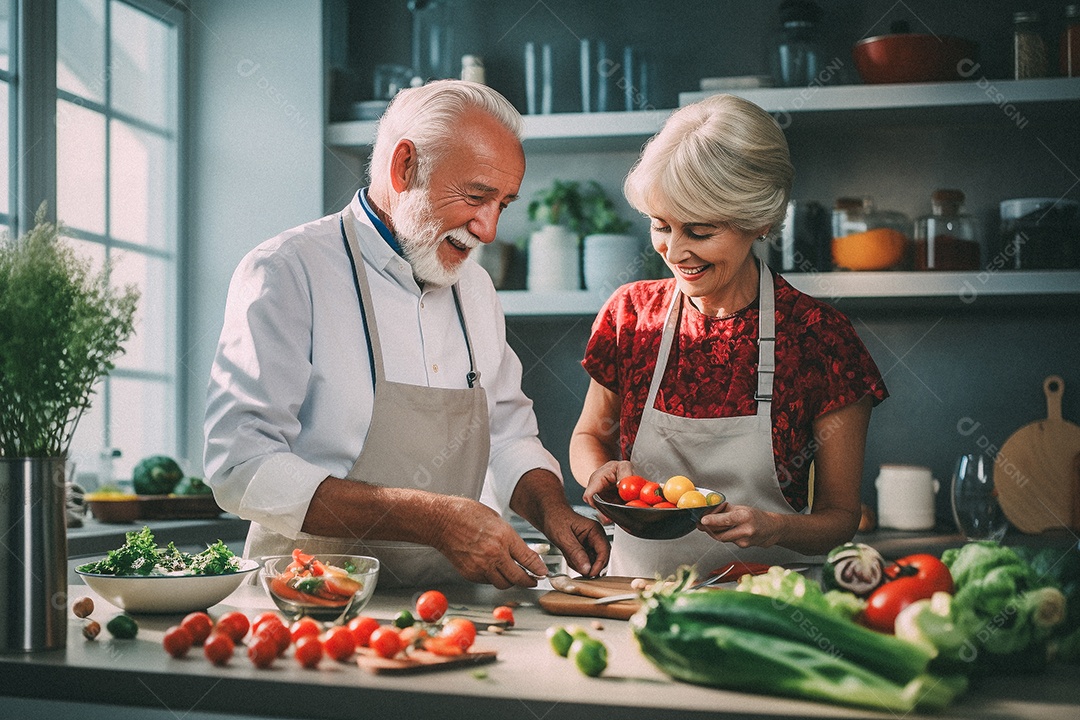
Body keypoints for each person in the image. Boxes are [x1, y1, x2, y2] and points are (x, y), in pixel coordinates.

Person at [204, 80, 609, 589]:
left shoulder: (477, 288)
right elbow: (240, 466)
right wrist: (433, 519)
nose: (488, 229)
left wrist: (552, 510)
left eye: (503, 204)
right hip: (312, 608)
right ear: (404, 168)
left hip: (450, 609)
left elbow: (506, 434)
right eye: (476, 196)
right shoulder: (288, 271)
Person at [569, 94, 887, 578]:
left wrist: (774, 528)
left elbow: (840, 517)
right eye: (661, 225)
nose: (674, 251)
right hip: (636, 595)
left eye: (699, 232)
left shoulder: (820, 338)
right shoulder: (630, 316)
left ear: (758, 221)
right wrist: (598, 472)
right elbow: (591, 433)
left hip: (770, 606)